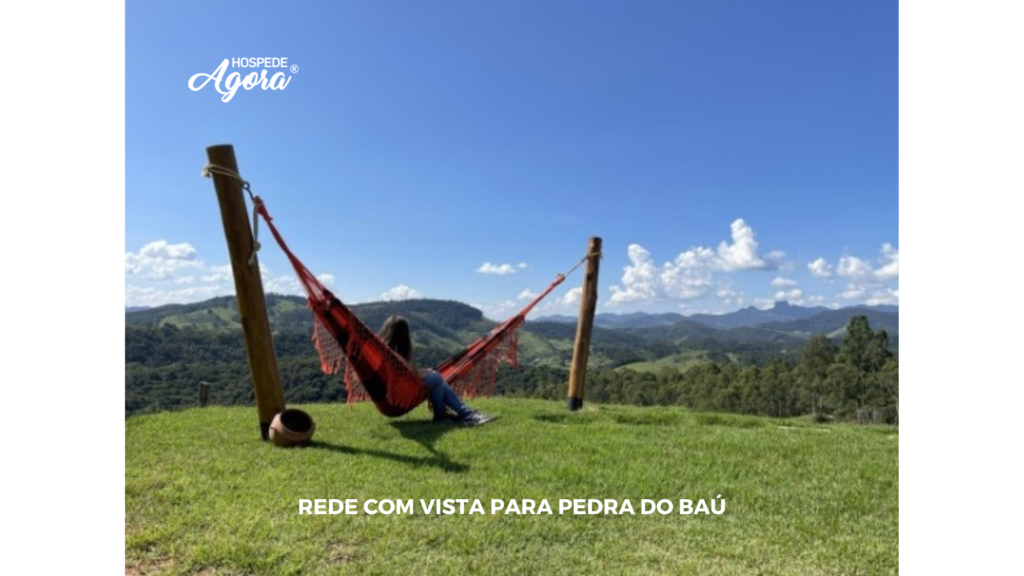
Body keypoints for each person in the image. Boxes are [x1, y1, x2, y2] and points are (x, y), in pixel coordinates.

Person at [379, 315, 494, 426]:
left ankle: (464, 414)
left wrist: (426, 371)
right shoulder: (393, 354)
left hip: (398, 392)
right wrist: (427, 372)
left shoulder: (383, 350)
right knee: (436, 378)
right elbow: (411, 373)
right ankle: (450, 416)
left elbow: (406, 374)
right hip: (399, 397)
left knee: (437, 379)